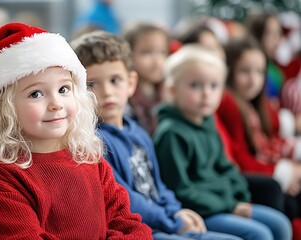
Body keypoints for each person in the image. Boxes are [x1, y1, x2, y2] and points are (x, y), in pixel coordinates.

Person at [0, 22, 152, 239]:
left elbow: (129, 224)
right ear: (5, 109)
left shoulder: (89, 160)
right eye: (36, 94)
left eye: (63, 89)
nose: (56, 104)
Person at [71, 30, 242, 240]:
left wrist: (177, 211)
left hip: (164, 221)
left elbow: (159, 185)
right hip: (140, 230)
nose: (107, 92)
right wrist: (172, 221)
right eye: (92, 84)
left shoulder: (139, 133)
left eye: (115, 80)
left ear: (131, 83)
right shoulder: (94, 143)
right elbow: (126, 198)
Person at [153, 44, 292, 240]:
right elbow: (180, 190)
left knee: (280, 224)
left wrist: (238, 197)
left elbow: (226, 167)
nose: (206, 93)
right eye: (195, 85)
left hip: (223, 203)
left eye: (213, 86)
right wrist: (229, 206)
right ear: (172, 90)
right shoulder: (171, 133)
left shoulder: (208, 122)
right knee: (259, 234)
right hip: (200, 212)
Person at [216, 37, 301, 230]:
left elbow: (269, 142)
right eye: (244, 71)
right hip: (245, 175)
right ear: (229, 72)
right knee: (276, 190)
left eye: (259, 72)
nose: (253, 79)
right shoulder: (229, 102)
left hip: (261, 168)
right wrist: (283, 173)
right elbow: (239, 158)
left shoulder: (254, 104)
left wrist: (291, 169)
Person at [123, 22, 169, 135]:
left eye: (162, 52)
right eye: (146, 52)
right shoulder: (126, 97)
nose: (157, 60)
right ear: (129, 54)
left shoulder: (169, 92)